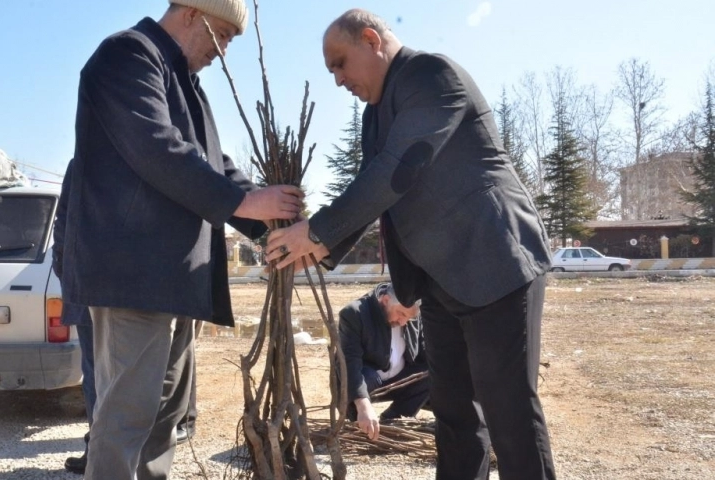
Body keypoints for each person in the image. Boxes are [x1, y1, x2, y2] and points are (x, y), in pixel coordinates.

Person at [266, 9, 556, 480]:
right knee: (455, 417)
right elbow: (374, 190)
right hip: (440, 282)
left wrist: (316, 232)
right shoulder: (374, 115)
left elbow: (399, 168)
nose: (338, 80)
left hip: (494, 261)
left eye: (340, 63)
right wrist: (314, 250)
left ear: (370, 40)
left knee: (510, 413)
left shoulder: (431, 75)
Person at [62, 1, 305, 479]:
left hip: (172, 279)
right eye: (222, 34)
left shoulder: (183, 80)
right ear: (192, 14)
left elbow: (211, 162)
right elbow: (157, 148)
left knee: (163, 417)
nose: (224, 50)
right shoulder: (127, 55)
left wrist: (275, 227)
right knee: (126, 416)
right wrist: (244, 202)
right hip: (131, 277)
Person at [339, 283, 429, 440]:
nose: (403, 322)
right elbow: (350, 365)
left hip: (398, 380)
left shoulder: (409, 317)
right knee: (367, 376)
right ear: (385, 300)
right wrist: (363, 406)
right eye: (401, 314)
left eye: (409, 317)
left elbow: (425, 356)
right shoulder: (354, 313)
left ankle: (392, 421)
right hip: (365, 382)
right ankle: (360, 424)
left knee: (431, 371)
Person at [52, 161, 95, 475]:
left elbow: (63, 223)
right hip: (91, 289)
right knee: (98, 376)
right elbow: (63, 222)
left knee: (108, 376)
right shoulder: (82, 163)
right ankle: (100, 450)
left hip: (112, 291)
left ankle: (108, 453)